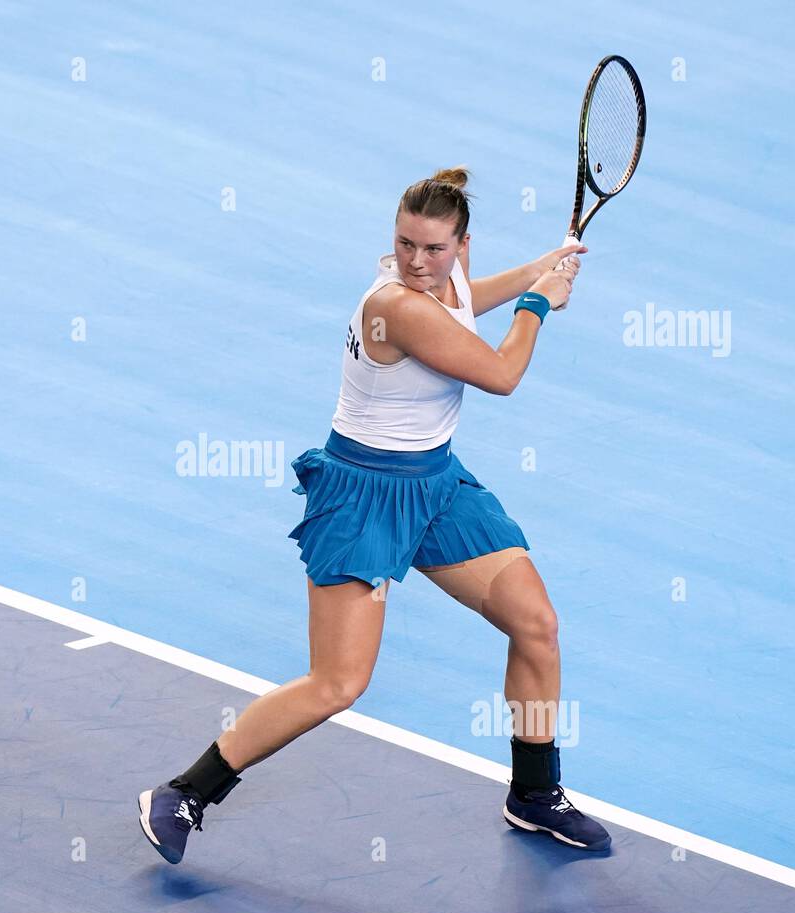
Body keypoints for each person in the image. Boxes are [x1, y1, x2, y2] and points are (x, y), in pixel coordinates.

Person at [138, 166, 611, 864]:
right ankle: (185, 790)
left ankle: (535, 793)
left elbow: (460, 304)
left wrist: (536, 270)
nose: (419, 262)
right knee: (338, 683)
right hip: (362, 495)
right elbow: (502, 373)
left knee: (535, 623)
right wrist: (538, 303)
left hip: (436, 486)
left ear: (461, 243)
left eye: (435, 249)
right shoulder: (398, 303)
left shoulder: (442, 284)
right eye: (406, 245)